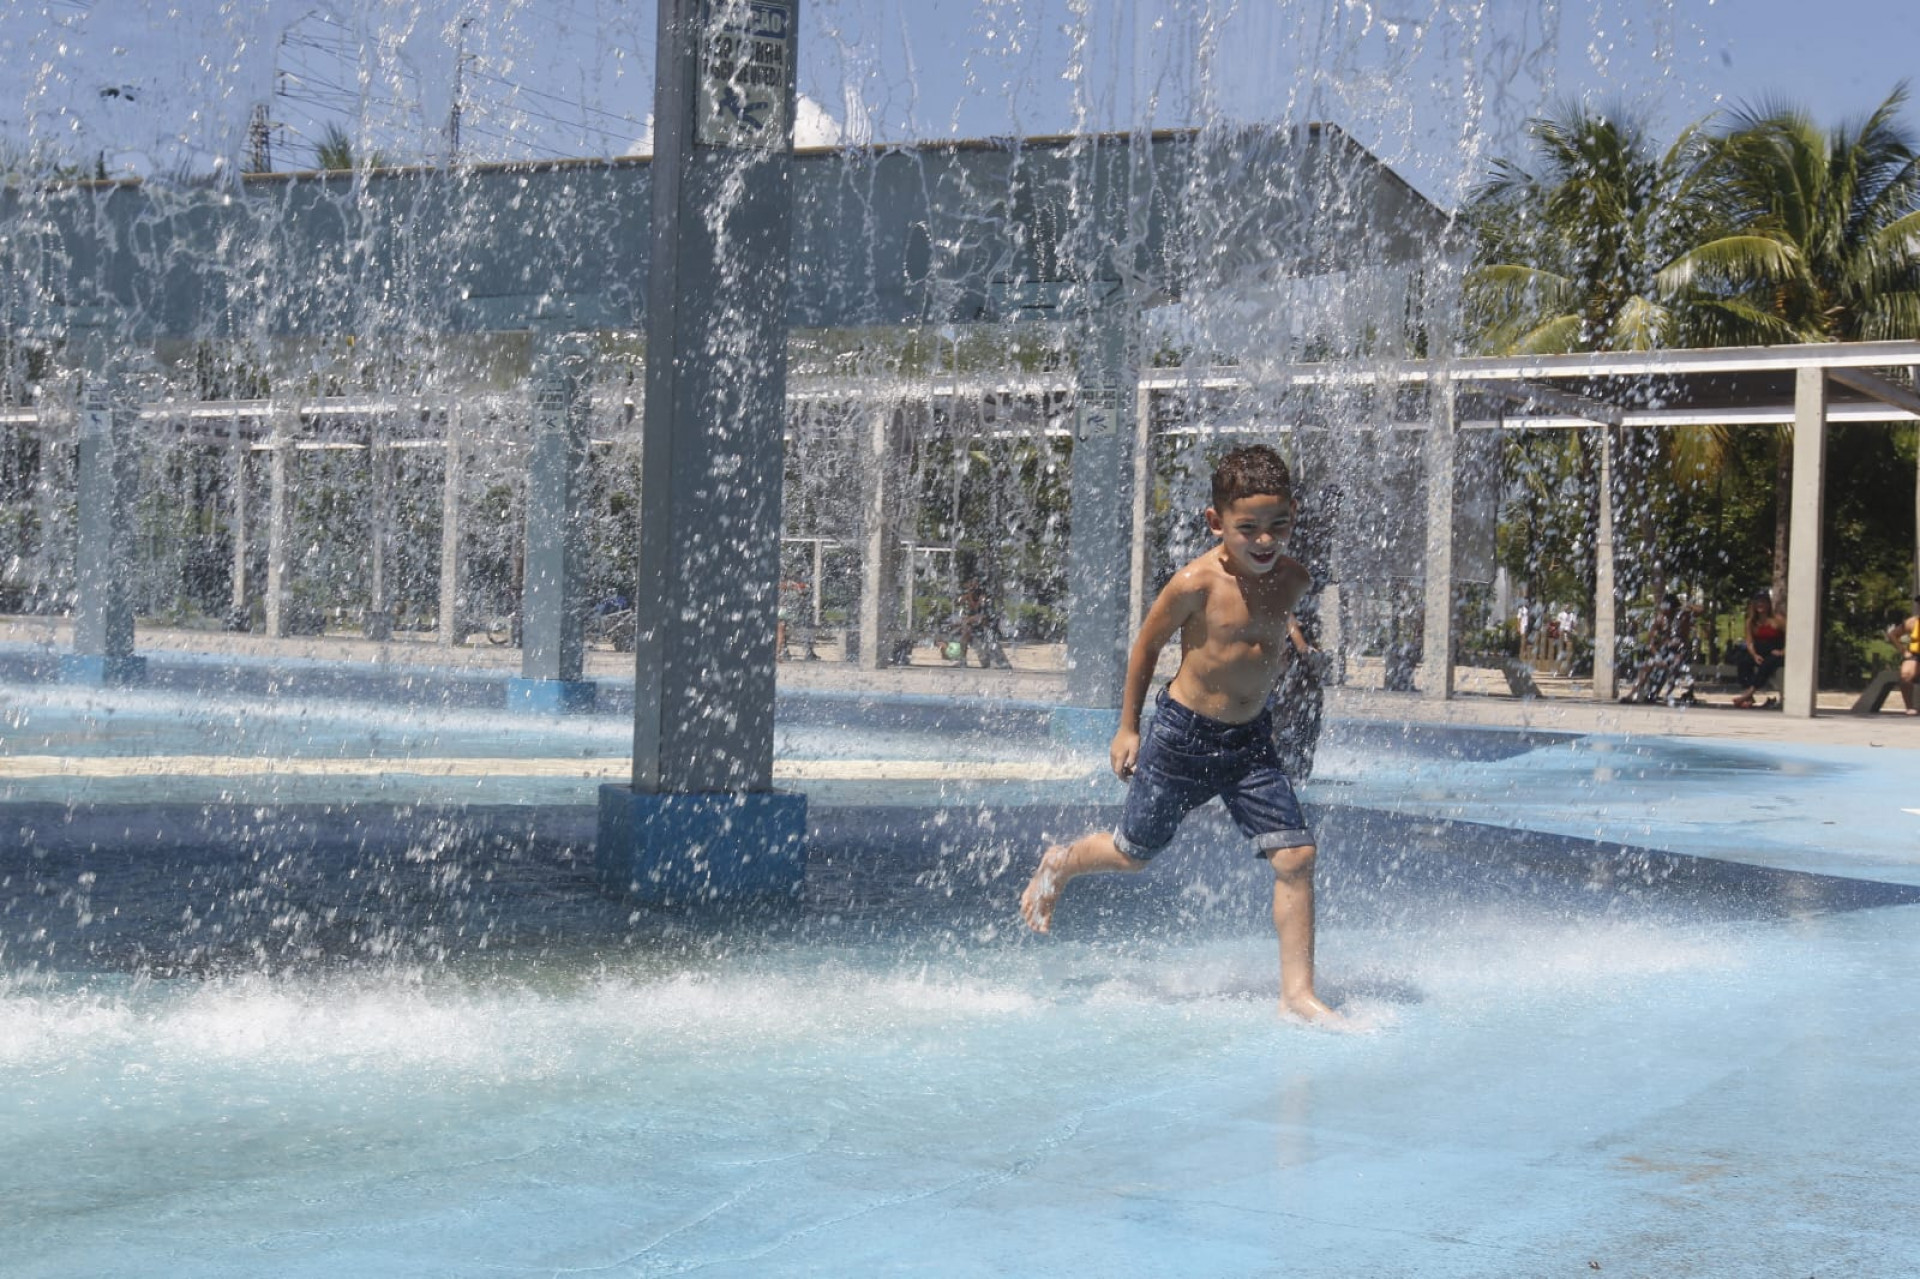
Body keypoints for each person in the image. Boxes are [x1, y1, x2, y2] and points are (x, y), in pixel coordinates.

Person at [1019, 444, 1338, 1023]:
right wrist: (1126, 729)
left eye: (1278, 526)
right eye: (1248, 529)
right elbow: (1146, 647)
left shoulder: (1294, 579)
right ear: (1217, 523)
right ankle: (1060, 863)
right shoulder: (1194, 583)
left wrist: (1290, 639)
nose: (1264, 541)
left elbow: (1265, 615)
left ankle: (1298, 994)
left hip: (1249, 745)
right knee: (1133, 853)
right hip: (1181, 738)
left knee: (1296, 855)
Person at [1731, 591, 1785, 709]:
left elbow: (1791, 638)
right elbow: (1749, 642)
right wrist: (1754, 655)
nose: (1760, 605)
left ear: (1768, 604)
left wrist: (1783, 651)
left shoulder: (1778, 620)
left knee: (1767, 664)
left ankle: (1749, 693)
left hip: (1775, 651)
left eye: (1763, 602)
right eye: (1758, 602)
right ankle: (1748, 696)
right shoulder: (1751, 622)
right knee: (1743, 660)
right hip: (1759, 651)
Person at [1885, 597, 1920, 716]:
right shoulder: (1912, 622)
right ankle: (1909, 707)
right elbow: (1892, 634)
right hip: (1916, 655)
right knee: (1905, 675)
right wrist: (1903, 651)